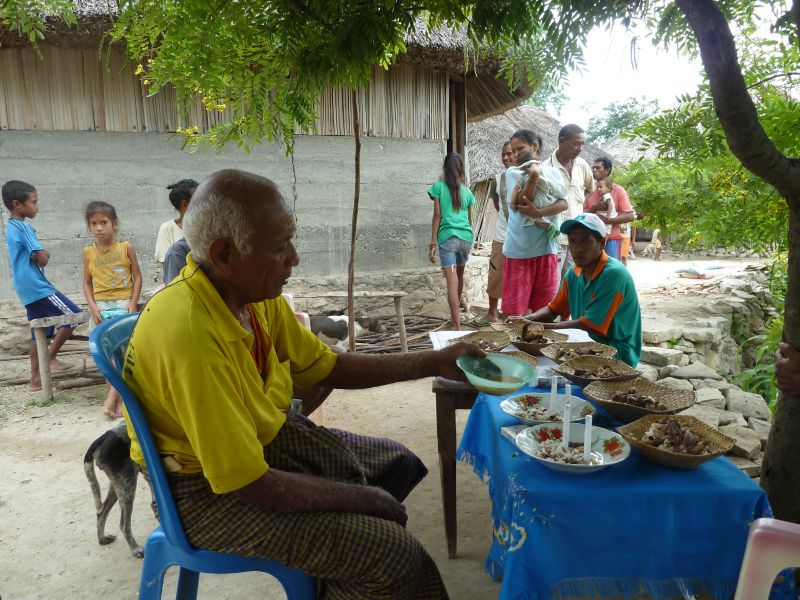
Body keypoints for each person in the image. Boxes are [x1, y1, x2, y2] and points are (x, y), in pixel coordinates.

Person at [122, 169, 482, 599]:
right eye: (279, 247)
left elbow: (325, 367)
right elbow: (249, 483)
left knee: (396, 465)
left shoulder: (251, 297)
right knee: (395, 554)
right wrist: (364, 500)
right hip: (199, 493)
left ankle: (339, 577)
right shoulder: (191, 334)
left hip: (258, 443)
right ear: (225, 254)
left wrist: (434, 362)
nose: (293, 258)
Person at [515, 212, 642, 366]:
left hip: (617, 351)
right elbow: (552, 311)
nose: (578, 248)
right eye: (572, 241)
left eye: (585, 241)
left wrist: (538, 327)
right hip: (585, 340)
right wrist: (525, 320)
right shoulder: (573, 273)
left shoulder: (613, 274)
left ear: (602, 243)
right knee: (526, 355)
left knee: (544, 359)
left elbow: (589, 326)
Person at [3, 180, 82, 391]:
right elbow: (42, 259)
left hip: (24, 288)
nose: (37, 206)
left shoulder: (10, 227)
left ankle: (35, 379)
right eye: (34, 202)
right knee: (73, 316)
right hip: (37, 286)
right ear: (17, 204)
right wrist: (45, 253)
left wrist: (39, 254)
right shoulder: (23, 227)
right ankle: (52, 357)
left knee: (39, 331)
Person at [82, 201, 142, 417]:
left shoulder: (126, 248)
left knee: (124, 353)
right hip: (101, 307)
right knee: (106, 353)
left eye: (104, 222)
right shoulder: (88, 252)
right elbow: (86, 283)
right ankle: (114, 399)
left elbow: (137, 277)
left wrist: (132, 303)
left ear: (114, 224)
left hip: (123, 304)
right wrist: (93, 307)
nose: (99, 227)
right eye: (94, 223)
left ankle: (116, 398)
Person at [502, 129, 568, 317]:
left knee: (543, 312)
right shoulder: (513, 172)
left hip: (546, 250)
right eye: (513, 150)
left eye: (520, 149)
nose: (515, 154)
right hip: (518, 251)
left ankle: (535, 338)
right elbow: (521, 203)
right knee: (514, 314)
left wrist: (538, 212)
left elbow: (564, 203)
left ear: (534, 146)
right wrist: (533, 177)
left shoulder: (554, 173)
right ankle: (515, 338)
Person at [428, 152, 475, 330]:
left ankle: (457, 326)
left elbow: (437, 215)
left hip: (448, 239)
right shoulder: (468, 192)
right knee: (459, 276)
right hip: (465, 239)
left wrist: (433, 244)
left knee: (451, 282)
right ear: (461, 169)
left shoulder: (438, 188)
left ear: (444, 169)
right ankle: (456, 318)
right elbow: (470, 220)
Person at [542, 124, 593, 279]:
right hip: (555, 238)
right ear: (561, 141)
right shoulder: (545, 168)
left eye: (582, 144)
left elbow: (590, 188)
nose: (580, 148)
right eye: (576, 143)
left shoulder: (582, 165)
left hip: (578, 238)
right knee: (554, 284)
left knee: (575, 282)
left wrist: (579, 204)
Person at [478, 141, 514, 325]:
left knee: (515, 278)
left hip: (521, 240)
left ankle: (509, 314)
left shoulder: (527, 178)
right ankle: (492, 312)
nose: (505, 158)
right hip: (501, 236)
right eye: (503, 154)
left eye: (509, 154)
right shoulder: (497, 180)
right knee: (495, 273)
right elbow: (498, 207)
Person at [586, 157, 634, 263]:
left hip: (612, 238)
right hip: (590, 239)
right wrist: (593, 208)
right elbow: (581, 215)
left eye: (598, 168)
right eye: (593, 168)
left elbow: (630, 216)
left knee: (611, 269)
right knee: (591, 270)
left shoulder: (618, 190)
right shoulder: (589, 191)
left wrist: (609, 220)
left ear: (607, 170)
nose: (594, 170)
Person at [508, 149, 563, 237]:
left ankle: (550, 226)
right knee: (551, 215)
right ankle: (556, 227)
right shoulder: (545, 170)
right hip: (548, 199)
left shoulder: (521, 173)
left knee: (532, 217)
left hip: (536, 200)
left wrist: (513, 203)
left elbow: (516, 189)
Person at [154, 178, 198, 280]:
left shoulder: (208, 228)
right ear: (185, 204)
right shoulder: (167, 228)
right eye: (200, 200)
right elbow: (170, 267)